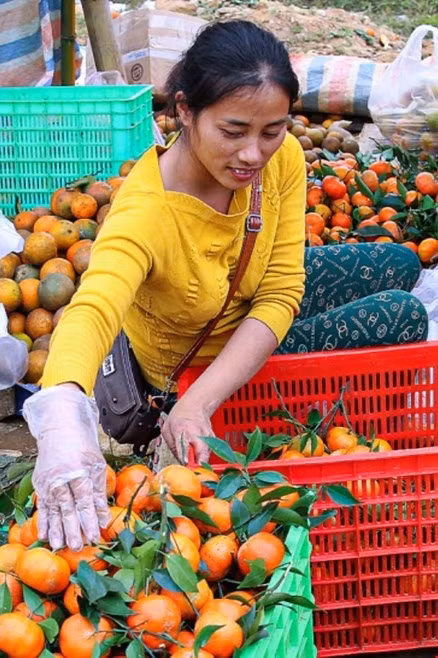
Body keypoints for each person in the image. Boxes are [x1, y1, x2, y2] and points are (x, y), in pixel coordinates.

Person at [22, 19, 428, 551]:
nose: (253, 154)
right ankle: (311, 435)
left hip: (246, 307)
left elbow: (281, 289)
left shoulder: (281, 158)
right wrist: (63, 416)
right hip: (196, 367)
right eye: (233, 132)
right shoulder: (145, 214)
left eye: (271, 130)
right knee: (403, 315)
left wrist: (269, 143)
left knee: (399, 262)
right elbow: (93, 308)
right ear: (185, 111)